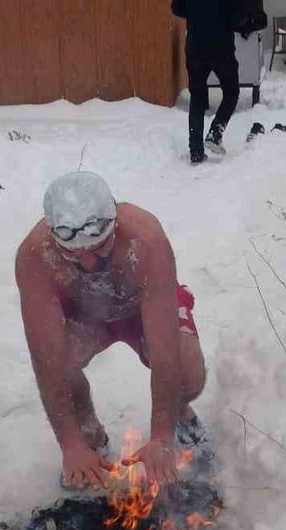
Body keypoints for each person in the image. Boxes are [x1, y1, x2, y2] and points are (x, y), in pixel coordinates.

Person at [16, 172, 210, 489]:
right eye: (74, 253)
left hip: (142, 309)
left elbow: (164, 350)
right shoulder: (34, 256)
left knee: (188, 370)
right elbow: (46, 359)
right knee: (62, 368)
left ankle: (180, 415)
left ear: (114, 221)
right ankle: (90, 439)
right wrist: (71, 445)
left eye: (99, 247)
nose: (89, 261)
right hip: (86, 318)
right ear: (55, 238)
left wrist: (161, 435)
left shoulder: (145, 238)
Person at [172, 0, 241, 164]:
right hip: (221, 46)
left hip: (195, 46)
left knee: (197, 98)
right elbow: (238, 14)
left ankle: (196, 152)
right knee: (232, 92)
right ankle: (215, 133)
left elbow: (177, 8)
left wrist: (197, 15)